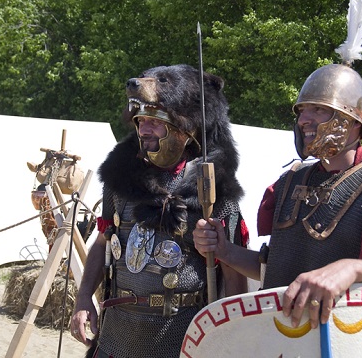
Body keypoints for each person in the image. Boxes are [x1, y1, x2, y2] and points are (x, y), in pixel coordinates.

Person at [193, 0, 362, 332]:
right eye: (302, 111)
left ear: (353, 122)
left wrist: (350, 268)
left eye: (318, 110)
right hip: (285, 341)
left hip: (346, 340)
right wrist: (225, 251)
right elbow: (274, 268)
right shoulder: (291, 183)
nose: (304, 119)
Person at [71, 64, 248, 358]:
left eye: (155, 122)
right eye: (141, 121)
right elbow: (103, 243)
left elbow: (233, 274)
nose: (145, 129)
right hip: (117, 335)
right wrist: (83, 298)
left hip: (180, 336)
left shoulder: (213, 193)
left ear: (182, 131)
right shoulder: (120, 184)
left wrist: (232, 336)